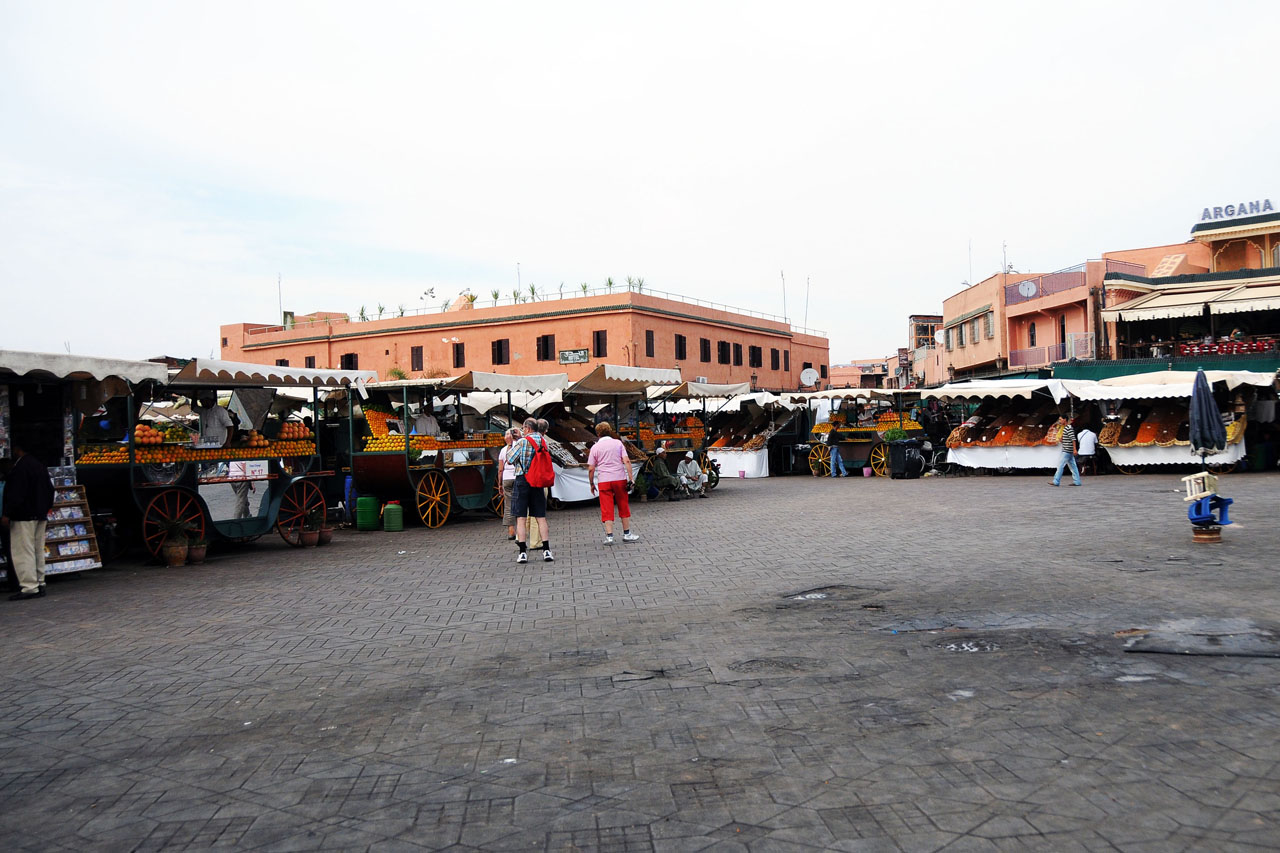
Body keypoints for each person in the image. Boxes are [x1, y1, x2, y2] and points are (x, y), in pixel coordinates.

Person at [2, 441, 55, 601]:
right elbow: (50, 490)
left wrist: (7, 513)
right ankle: (40, 582)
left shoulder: (20, 468)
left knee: (23, 551)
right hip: (39, 514)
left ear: (17, 449)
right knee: (37, 549)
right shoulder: (39, 466)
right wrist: (45, 509)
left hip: (23, 516)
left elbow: (16, 494)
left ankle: (29, 586)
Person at [506, 417, 552, 563]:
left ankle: (522, 553)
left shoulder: (522, 442)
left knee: (521, 517)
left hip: (523, 480)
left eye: (524, 428)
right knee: (540, 517)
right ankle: (546, 550)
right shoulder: (543, 441)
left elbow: (510, 459)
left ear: (527, 428)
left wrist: (511, 443)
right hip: (537, 481)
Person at [587, 422, 638, 544]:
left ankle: (609, 536)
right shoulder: (618, 443)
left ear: (598, 434)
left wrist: (591, 483)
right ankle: (627, 533)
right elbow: (627, 461)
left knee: (606, 507)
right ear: (609, 431)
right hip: (619, 479)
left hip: (604, 480)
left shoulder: (595, 447)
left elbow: (591, 468)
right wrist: (631, 478)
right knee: (623, 504)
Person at [497, 427, 521, 540]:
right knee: (520, 503)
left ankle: (511, 531)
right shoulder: (519, 446)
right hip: (518, 477)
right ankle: (521, 530)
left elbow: (500, 469)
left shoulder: (502, 450)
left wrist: (500, 484)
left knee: (508, 505)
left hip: (506, 479)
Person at [1050, 416, 1082, 487]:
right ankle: (1077, 481)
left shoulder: (1068, 428)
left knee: (1060, 465)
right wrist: (1062, 439)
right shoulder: (1066, 428)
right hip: (1068, 450)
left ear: (1065, 420)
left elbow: (1073, 439)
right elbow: (1069, 438)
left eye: (1060, 419)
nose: (1059, 421)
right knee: (1073, 466)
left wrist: (1074, 449)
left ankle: (1056, 481)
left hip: (1067, 450)